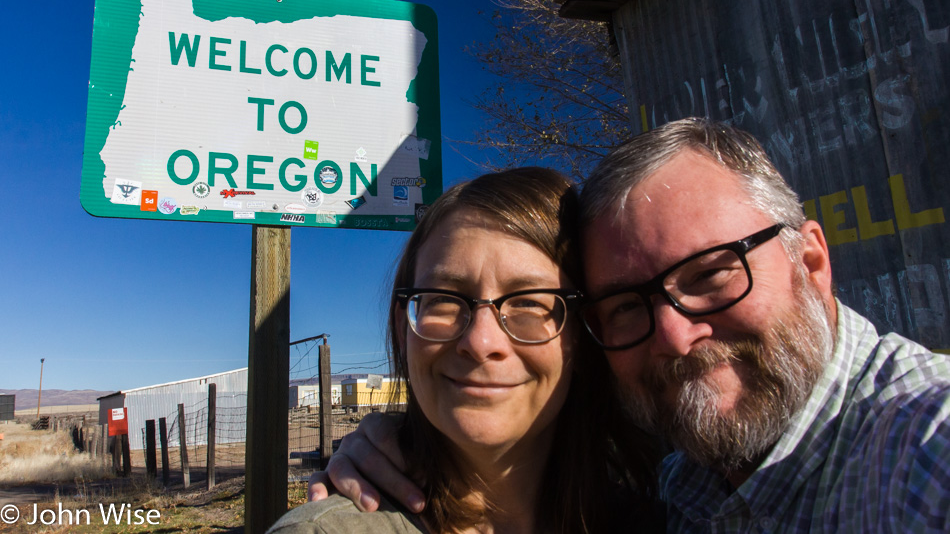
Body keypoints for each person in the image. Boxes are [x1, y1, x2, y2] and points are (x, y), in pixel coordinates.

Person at [312, 119, 950, 533]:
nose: (674, 337)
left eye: (710, 274)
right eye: (626, 305)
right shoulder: (678, 480)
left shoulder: (921, 450)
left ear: (810, 262)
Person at [270, 167, 660, 534]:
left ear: (581, 332)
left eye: (529, 302)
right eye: (444, 299)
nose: (480, 342)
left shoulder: (669, 508)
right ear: (402, 329)